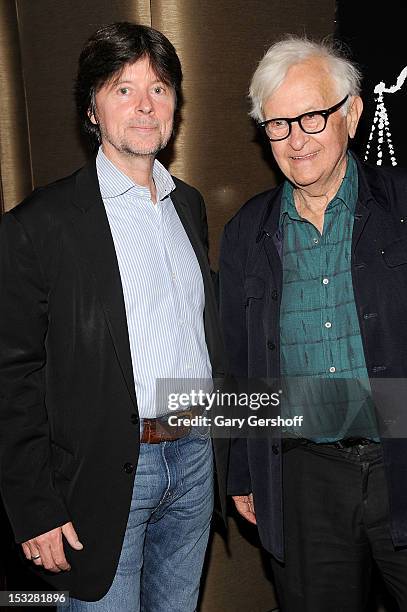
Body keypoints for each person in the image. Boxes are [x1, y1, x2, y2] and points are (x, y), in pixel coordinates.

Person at [0, 21, 225, 611]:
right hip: (102, 475)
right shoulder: (41, 224)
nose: (145, 105)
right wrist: (35, 508)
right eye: (124, 89)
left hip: (196, 458)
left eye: (160, 88)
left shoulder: (190, 206)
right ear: (93, 109)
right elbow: (11, 374)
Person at [219, 35, 407, 612]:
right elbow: (236, 362)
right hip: (304, 479)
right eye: (278, 124)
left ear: (350, 113)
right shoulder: (247, 233)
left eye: (312, 118)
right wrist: (244, 471)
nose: (296, 139)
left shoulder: (401, 205)